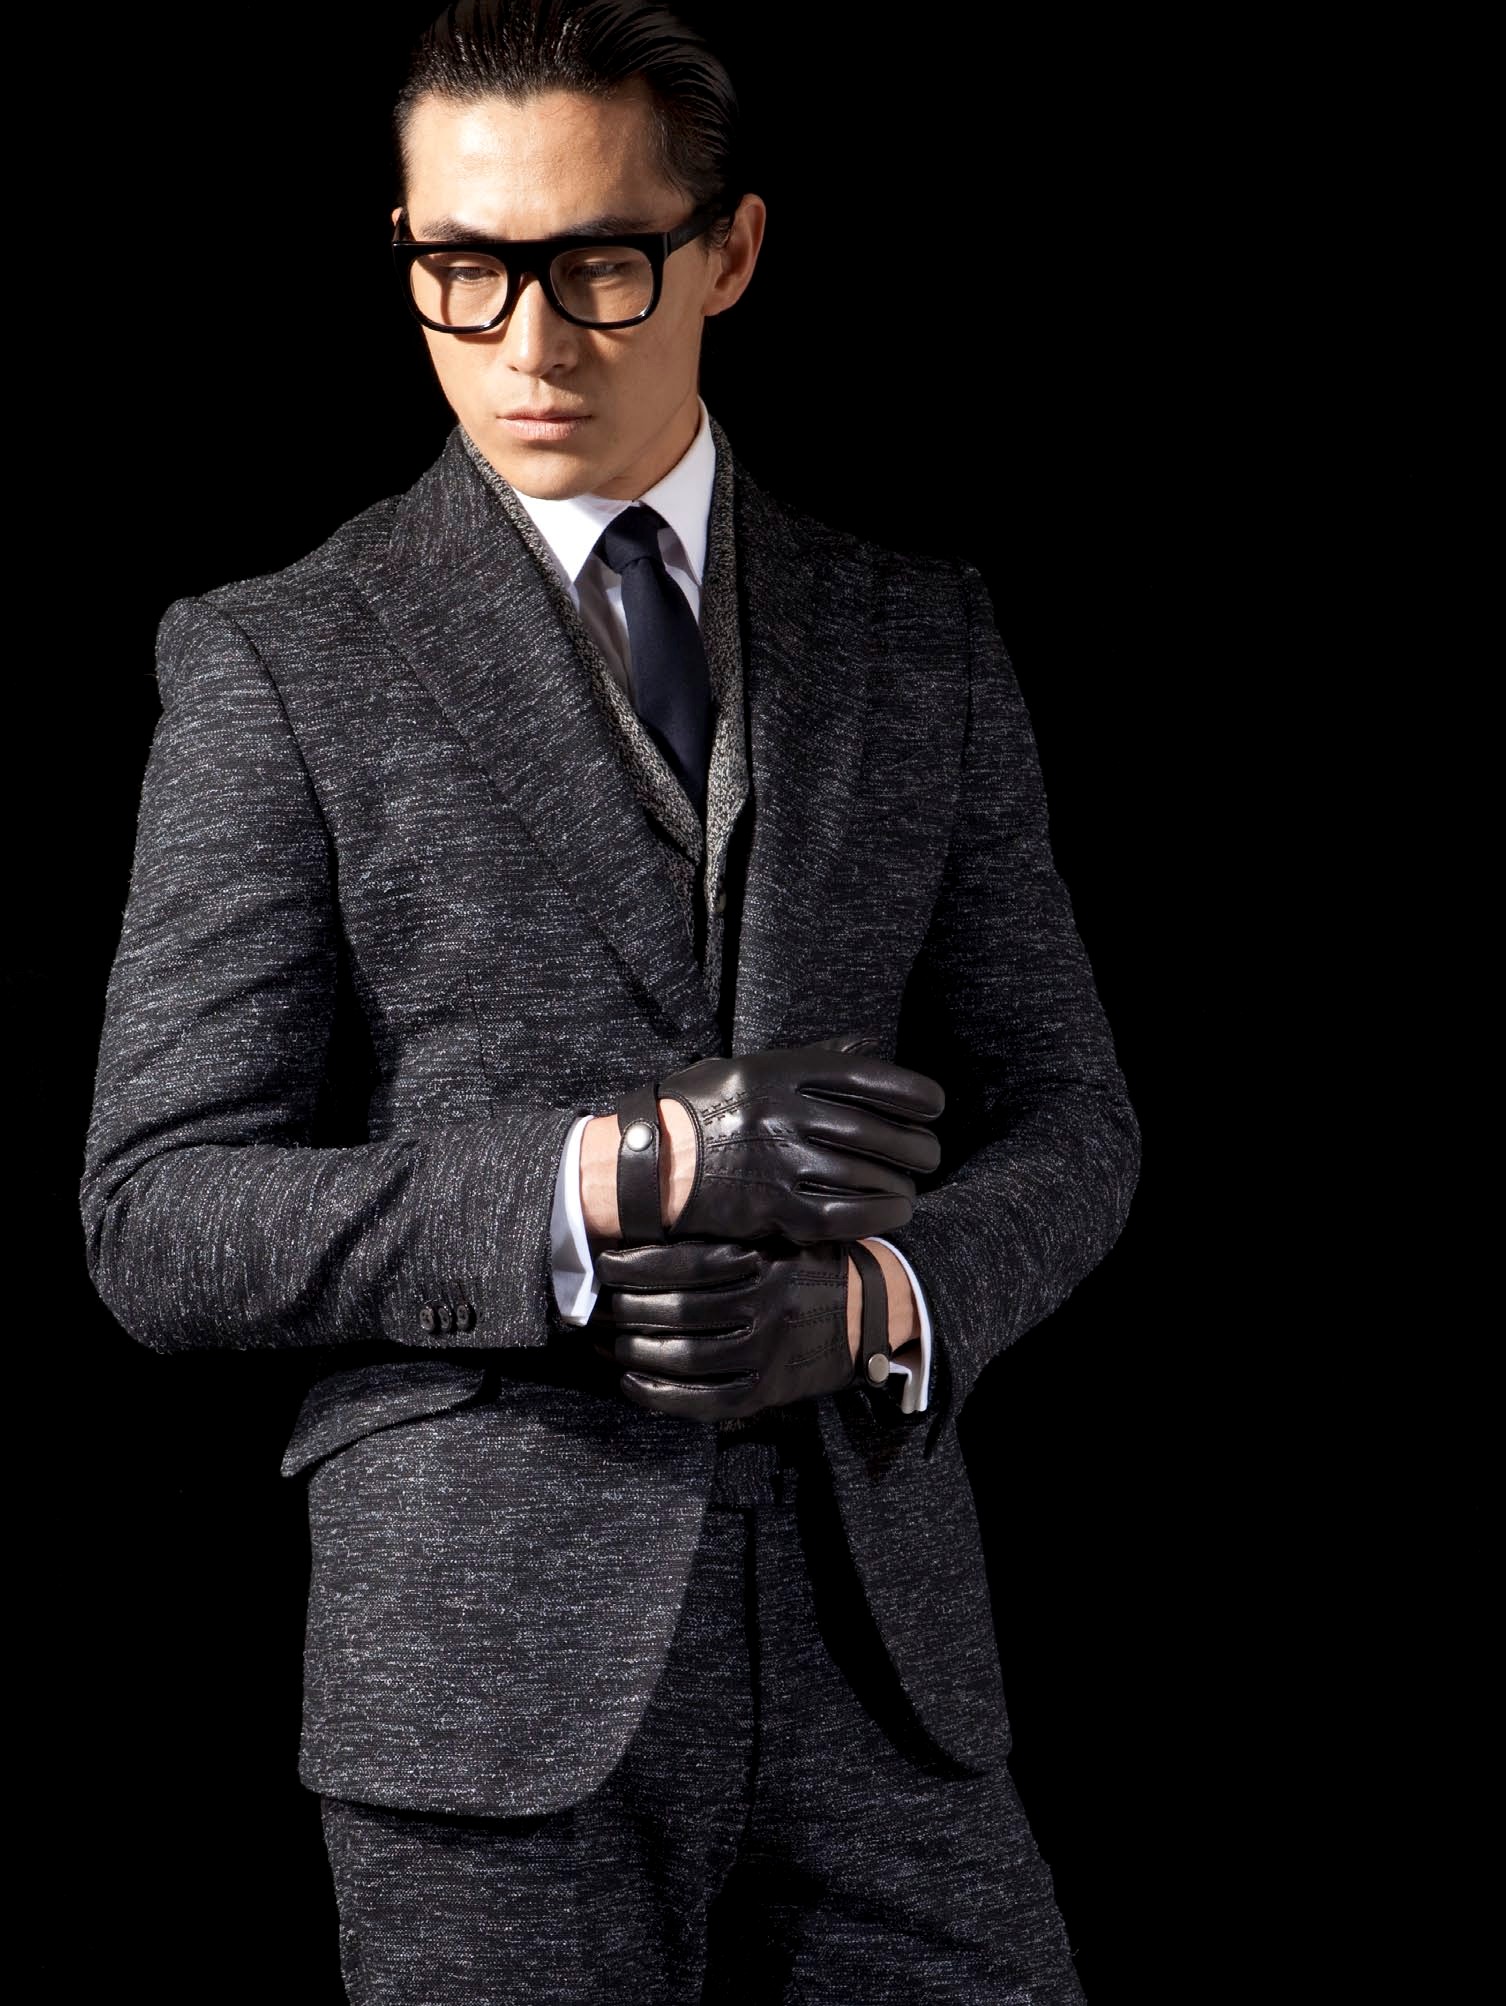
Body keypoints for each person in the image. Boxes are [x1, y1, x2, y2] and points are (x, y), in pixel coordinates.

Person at [79, 2, 1141, 1998]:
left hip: (885, 1659)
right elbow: (159, 1217)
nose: (528, 344)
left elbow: (1075, 1120)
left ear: (729, 251)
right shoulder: (281, 662)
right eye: (460, 269)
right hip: (483, 1683)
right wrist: (618, 1168)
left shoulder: (913, 635)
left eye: (597, 265)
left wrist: (875, 1303)